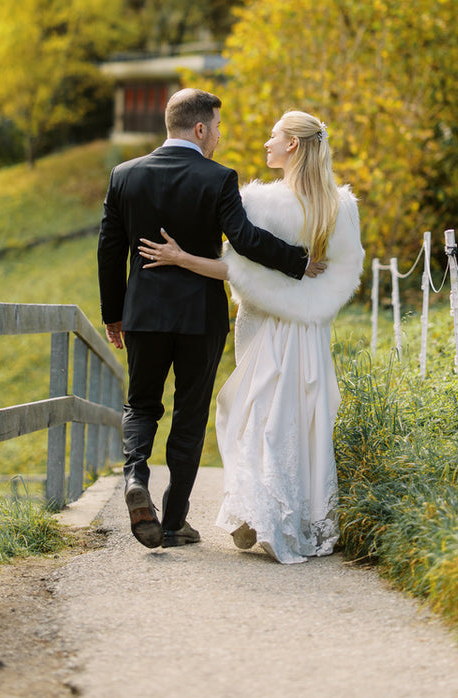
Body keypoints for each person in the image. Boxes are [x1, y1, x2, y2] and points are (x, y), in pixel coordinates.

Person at [97, 88, 321, 551]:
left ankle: (135, 475)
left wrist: (114, 314)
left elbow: (109, 251)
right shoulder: (218, 178)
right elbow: (245, 238)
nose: (219, 136)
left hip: (143, 314)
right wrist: (299, 263)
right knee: (190, 415)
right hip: (199, 316)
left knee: (140, 405)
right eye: (217, 128)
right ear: (199, 129)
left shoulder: (124, 176)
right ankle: (175, 520)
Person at [139, 110, 364, 563]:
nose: (267, 142)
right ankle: (295, 518)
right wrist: (308, 301)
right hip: (309, 332)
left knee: (255, 417)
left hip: (266, 329)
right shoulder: (341, 207)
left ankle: (257, 513)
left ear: (293, 146)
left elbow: (233, 271)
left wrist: (181, 257)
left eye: (274, 136)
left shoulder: (260, 205)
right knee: (301, 421)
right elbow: (342, 274)